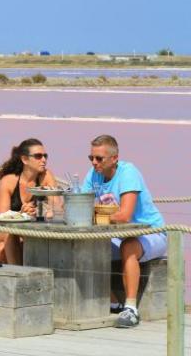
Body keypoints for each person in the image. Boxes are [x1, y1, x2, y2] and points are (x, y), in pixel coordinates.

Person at [80, 134, 165, 329]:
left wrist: (92, 215)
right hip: (120, 235)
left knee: (129, 245)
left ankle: (131, 308)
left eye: (99, 158)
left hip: (152, 233)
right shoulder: (93, 173)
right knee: (86, 246)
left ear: (114, 158)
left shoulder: (128, 172)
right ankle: (111, 301)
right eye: (91, 158)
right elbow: (81, 201)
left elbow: (125, 215)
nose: (94, 163)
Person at [0, 138, 57, 265]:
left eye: (45, 156)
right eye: (38, 156)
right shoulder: (8, 181)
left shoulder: (46, 176)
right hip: (3, 232)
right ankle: (20, 273)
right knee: (10, 233)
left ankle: (7, 259)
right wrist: (21, 214)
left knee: (4, 248)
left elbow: (58, 207)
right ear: (25, 159)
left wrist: (39, 211)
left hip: (28, 233)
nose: (44, 160)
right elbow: (3, 218)